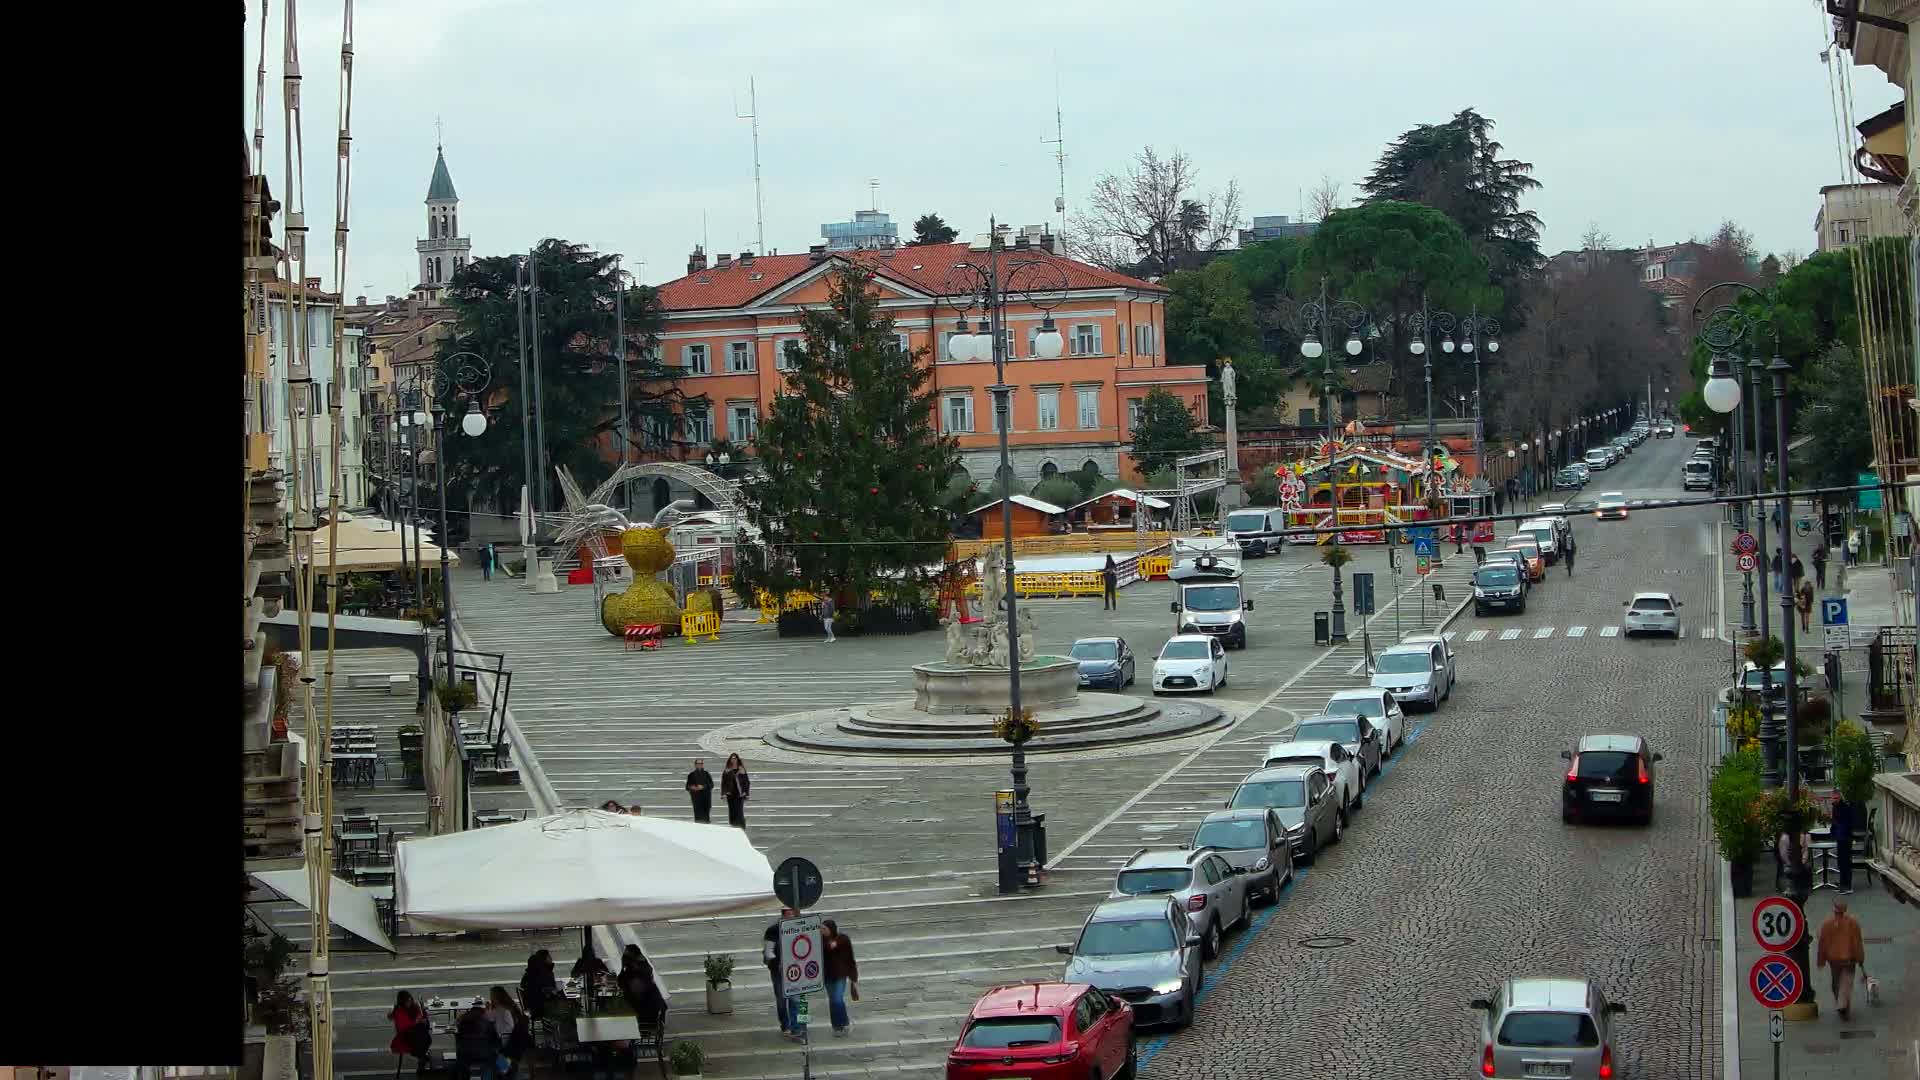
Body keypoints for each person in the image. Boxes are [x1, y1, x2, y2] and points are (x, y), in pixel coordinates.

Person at [1816, 899, 1867, 1020]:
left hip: (1833, 959)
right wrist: (1860, 959)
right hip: (1849, 958)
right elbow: (1857, 943)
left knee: (1836, 982)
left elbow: (1822, 944)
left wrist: (1821, 960)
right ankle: (1843, 1004)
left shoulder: (1827, 924)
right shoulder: (1853, 923)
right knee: (1847, 982)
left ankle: (1840, 1003)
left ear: (1834, 909)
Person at [765, 907, 800, 1038]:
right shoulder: (773, 930)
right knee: (781, 999)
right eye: (790, 912)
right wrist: (778, 963)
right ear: (785, 914)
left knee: (796, 999)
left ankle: (797, 1027)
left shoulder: (800, 927)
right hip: (778, 970)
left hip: (797, 970)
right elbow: (769, 952)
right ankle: (785, 1024)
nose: (792, 914)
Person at [822, 918, 860, 1037]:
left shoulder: (843, 939)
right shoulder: (819, 941)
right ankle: (836, 1026)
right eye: (821, 929)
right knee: (833, 1000)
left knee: (837, 999)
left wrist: (853, 978)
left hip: (840, 975)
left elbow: (850, 958)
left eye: (824, 929)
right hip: (827, 975)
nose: (822, 931)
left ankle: (844, 1023)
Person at [618, 944, 668, 1028]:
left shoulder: (636, 975)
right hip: (647, 1023)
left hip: (643, 1025)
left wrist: (623, 966)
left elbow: (621, 982)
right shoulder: (641, 973)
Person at [389, 990, 435, 1076]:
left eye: (410, 1000)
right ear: (402, 1002)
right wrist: (416, 1021)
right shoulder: (399, 1011)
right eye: (407, 1001)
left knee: (421, 1031)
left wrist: (422, 1017)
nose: (409, 1002)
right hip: (406, 1035)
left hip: (416, 1034)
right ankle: (422, 1058)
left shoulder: (414, 1006)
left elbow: (420, 1015)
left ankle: (422, 1058)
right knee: (420, 1035)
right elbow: (403, 1027)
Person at [485, 987, 526, 1079]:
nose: (491, 998)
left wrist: (500, 1034)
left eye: (492, 996)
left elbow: (510, 1027)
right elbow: (491, 1017)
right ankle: (506, 1070)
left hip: (506, 1038)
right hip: (505, 1037)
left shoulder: (505, 1010)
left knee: (492, 1050)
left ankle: (505, 1070)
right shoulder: (501, 1008)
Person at [454, 1001, 502, 1080]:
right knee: (499, 1060)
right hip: (485, 1054)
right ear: (482, 1012)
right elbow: (495, 1040)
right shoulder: (487, 1023)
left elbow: (459, 1038)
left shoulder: (463, 1022)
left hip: (465, 1054)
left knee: (461, 1065)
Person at [518, 951, 558, 1019]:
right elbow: (551, 990)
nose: (551, 959)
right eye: (549, 957)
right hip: (541, 1008)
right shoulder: (543, 973)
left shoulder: (528, 975)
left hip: (533, 1008)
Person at [722, 753, 751, 829]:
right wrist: (723, 793)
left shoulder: (742, 769)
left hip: (740, 794)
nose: (734, 760)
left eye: (735, 758)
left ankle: (742, 827)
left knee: (739, 811)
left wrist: (746, 793)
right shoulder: (727, 770)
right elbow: (724, 782)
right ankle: (733, 826)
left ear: (737, 759)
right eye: (732, 758)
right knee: (732, 811)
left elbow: (746, 782)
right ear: (730, 760)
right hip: (730, 794)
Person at [686, 757, 714, 823]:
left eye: (701, 763)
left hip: (706, 799)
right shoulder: (691, 775)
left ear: (702, 764)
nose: (699, 765)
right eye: (698, 763)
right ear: (695, 765)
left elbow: (711, 785)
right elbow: (687, 787)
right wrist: (692, 787)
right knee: (698, 819)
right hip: (696, 799)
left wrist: (703, 787)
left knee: (706, 818)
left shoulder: (706, 774)